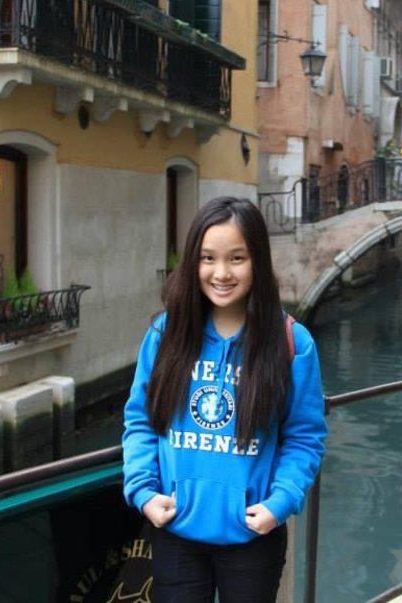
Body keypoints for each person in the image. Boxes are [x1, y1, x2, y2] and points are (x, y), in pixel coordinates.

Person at [122, 196, 328, 602]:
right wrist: (143, 491)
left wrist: (280, 503)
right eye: (207, 258)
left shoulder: (291, 343)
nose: (220, 273)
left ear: (258, 261)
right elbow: (141, 421)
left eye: (237, 258)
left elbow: (304, 437)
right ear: (192, 263)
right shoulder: (166, 336)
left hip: (253, 535)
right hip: (177, 531)